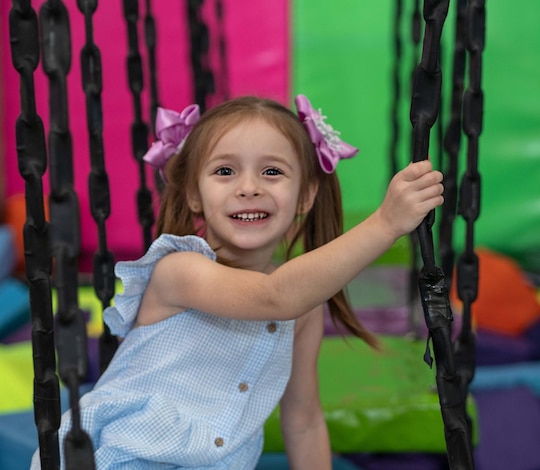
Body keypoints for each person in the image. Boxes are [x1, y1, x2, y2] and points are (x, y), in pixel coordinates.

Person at [31, 95, 444, 469]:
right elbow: (274, 296)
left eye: (272, 171)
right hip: (129, 457)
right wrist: (385, 224)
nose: (249, 188)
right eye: (225, 171)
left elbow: (303, 420)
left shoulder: (304, 308)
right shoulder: (180, 270)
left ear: (305, 196)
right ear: (194, 194)